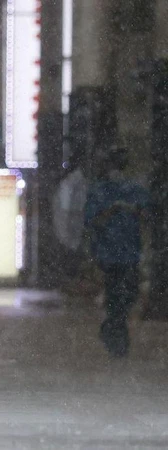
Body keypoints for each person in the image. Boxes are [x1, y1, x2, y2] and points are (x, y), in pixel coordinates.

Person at [84, 148, 149, 357]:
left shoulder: (133, 190)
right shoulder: (100, 191)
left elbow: (145, 215)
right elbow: (92, 221)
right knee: (117, 294)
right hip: (110, 253)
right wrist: (113, 210)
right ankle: (117, 337)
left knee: (126, 294)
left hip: (128, 251)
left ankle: (113, 329)